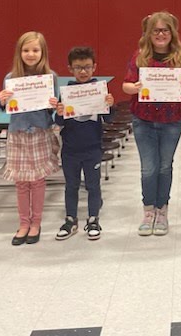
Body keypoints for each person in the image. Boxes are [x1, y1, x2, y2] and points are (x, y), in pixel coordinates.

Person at [122, 11, 181, 236]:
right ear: (148, 33)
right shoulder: (139, 57)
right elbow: (126, 85)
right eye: (156, 30)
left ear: (172, 33)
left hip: (172, 121)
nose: (161, 34)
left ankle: (162, 210)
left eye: (165, 30)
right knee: (148, 168)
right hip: (143, 120)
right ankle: (148, 211)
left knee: (165, 167)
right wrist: (134, 87)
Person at [0, 31, 60, 245]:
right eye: (26, 50)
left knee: (37, 180)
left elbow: (54, 109)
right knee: (21, 182)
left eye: (35, 50)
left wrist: (54, 105)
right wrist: (2, 100)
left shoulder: (51, 77)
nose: (30, 54)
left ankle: (36, 223)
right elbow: (6, 107)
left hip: (40, 131)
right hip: (18, 133)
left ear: (43, 53)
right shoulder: (10, 78)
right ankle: (23, 223)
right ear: (19, 52)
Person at [54, 46, 115, 241]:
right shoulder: (67, 92)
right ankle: (70, 219)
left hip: (93, 148)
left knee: (93, 185)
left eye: (87, 67)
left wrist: (110, 105)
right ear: (70, 69)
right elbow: (59, 122)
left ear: (94, 67)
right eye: (78, 68)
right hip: (70, 149)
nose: (83, 71)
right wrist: (59, 113)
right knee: (71, 185)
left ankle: (93, 219)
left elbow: (109, 119)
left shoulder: (99, 90)